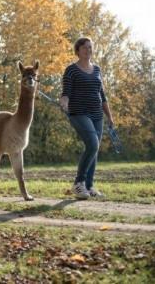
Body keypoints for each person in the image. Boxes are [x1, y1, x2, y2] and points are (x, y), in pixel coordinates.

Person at [60, 37, 114, 199]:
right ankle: (78, 184)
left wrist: (109, 116)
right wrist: (64, 103)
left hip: (97, 115)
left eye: (90, 47)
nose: (88, 50)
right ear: (77, 51)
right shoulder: (71, 70)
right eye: (84, 48)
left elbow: (102, 95)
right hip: (79, 113)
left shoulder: (97, 69)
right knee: (92, 143)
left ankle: (89, 186)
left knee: (94, 149)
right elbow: (66, 93)